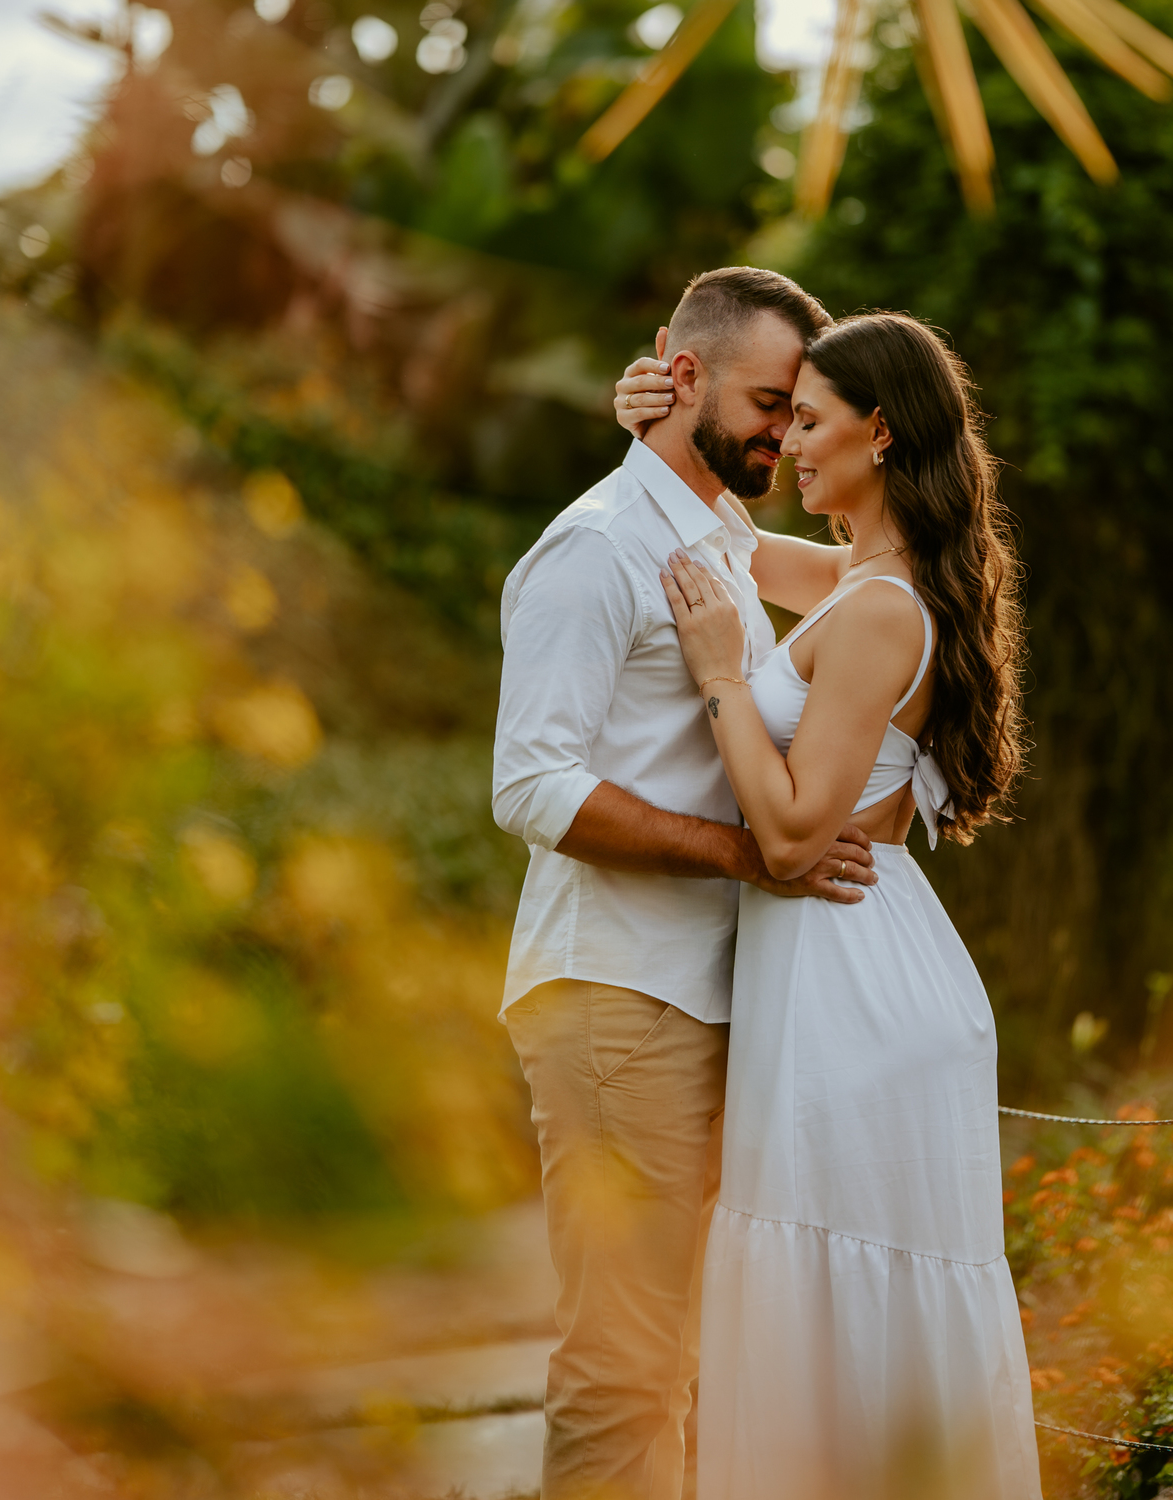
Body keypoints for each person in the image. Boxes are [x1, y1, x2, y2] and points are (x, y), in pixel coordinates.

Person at [620, 310, 1041, 1497]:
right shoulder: (867, 580)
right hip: (852, 963)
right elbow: (727, 544)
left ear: (882, 430)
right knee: (833, 1283)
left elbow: (797, 831)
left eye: (808, 421)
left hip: (851, 979)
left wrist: (718, 680)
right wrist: (652, 423)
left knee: (836, 1279)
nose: (788, 446)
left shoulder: (878, 611)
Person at [491, 267, 881, 1500]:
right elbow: (532, 788)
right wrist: (752, 854)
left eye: (801, 409)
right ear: (685, 369)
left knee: (699, 1358)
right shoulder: (597, 549)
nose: (785, 429)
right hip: (619, 997)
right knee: (625, 1364)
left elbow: (884, 583)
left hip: (711, 997)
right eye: (772, 400)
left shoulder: (715, 536)